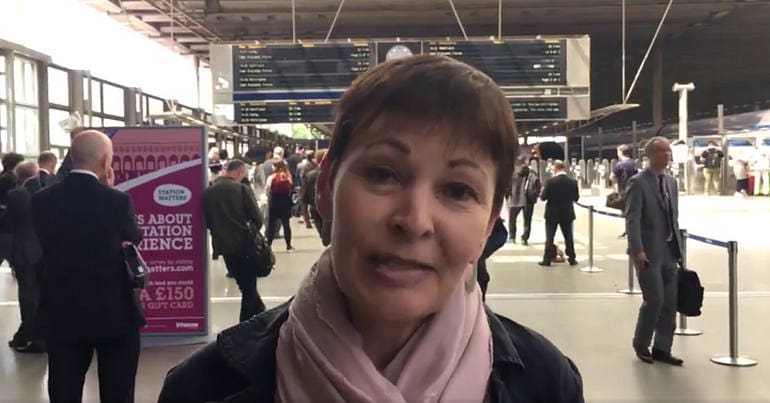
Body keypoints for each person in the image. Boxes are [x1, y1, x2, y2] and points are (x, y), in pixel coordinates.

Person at [158, 54, 583, 403]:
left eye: (457, 189)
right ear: (325, 187)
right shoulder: (202, 389)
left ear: (490, 223)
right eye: (383, 174)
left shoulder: (549, 384)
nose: (414, 221)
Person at [32, 130, 144, 402]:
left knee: (64, 386)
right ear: (106, 161)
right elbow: (133, 236)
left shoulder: (41, 200)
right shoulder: (116, 200)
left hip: (62, 308)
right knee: (117, 388)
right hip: (113, 310)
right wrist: (109, 188)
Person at [625, 136, 685, 366]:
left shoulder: (671, 183)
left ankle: (662, 348)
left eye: (668, 152)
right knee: (655, 299)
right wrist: (637, 249)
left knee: (670, 302)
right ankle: (641, 343)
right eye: (662, 152)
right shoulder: (638, 182)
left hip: (669, 251)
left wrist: (678, 249)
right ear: (649, 155)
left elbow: (674, 217)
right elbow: (633, 218)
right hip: (648, 252)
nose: (667, 156)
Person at [202, 159, 266, 321]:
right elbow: (258, 219)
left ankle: (263, 315)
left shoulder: (208, 192)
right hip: (245, 245)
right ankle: (244, 325)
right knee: (249, 288)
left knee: (245, 284)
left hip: (223, 247)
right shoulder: (241, 189)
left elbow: (207, 220)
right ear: (239, 172)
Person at [6, 161, 45, 353]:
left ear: (18, 176)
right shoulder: (47, 189)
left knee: (28, 296)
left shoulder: (16, 195)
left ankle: (32, 337)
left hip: (24, 250)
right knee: (39, 293)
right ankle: (27, 335)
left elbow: (9, 223)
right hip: (43, 250)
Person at [539, 160, 579, 267]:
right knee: (568, 237)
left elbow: (543, 197)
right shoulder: (572, 182)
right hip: (567, 213)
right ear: (564, 168)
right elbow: (576, 198)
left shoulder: (550, 182)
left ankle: (546, 260)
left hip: (552, 213)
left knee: (550, 237)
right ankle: (572, 258)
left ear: (555, 169)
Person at [301, 149, 331, 246]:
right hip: (330, 209)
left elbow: (304, 197)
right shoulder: (334, 174)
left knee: (325, 239)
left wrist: (306, 217)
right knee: (329, 237)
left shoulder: (309, 175)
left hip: (314, 209)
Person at [265, 160, 294, 251]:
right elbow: (290, 187)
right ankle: (288, 245)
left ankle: (269, 244)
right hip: (285, 201)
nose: (272, 168)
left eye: (273, 166)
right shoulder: (287, 176)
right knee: (286, 224)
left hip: (274, 201)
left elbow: (267, 188)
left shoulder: (272, 177)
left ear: (276, 167)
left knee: (271, 224)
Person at [508, 164, 540, 245]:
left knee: (512, 219)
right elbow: (538, 187)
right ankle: (524, 238)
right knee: (527, 220)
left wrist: (508, 196)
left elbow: (508, 187)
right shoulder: (532, 175)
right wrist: (534, 196)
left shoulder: (513, 174)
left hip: (515, 199)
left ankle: (512, 237)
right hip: (528, 200)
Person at [611, 145, 639, 238]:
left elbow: (612, 176)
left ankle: (628, 231)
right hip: (634, 190)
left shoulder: (620, 164)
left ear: (620, 152)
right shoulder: (633, 163)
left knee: (625, 213)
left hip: (623, 191)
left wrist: (614, 186)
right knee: (633, 212)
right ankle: (632, 230)